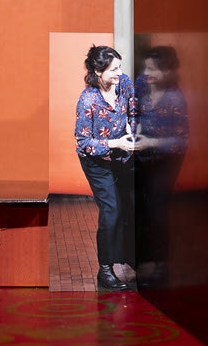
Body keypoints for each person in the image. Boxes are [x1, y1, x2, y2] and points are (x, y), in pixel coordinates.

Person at [74, 45, 137, 290]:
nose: (119, 73)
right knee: (111, 209)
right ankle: (105, 270)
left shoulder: (124, 83)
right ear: (98, 71)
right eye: (113, 69)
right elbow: (84, 142)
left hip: (122, 156)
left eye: (120, 67)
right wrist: (115, 143)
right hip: (97, 162)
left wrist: (132, 130)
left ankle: (129, 258)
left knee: (129, 205)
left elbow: (133, 110)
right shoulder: (88, 99)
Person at [133, 45, 189, 287]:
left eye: (152, 69)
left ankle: (160, 266)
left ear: (167, 71)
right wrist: (134, 131)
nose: (146, 73)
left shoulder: (176, 98)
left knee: (157, 211)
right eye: (145, 68)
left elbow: (181, 141)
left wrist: (152, 142)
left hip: (166, 161)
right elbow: (133, 110)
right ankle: (141, 261)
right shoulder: (142, 84)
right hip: (142, 155)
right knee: (139, 208)